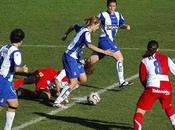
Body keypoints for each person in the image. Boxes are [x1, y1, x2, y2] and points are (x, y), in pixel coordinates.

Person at [53, 16, 113, 108]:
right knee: (73, 82)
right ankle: (58, 101)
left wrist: (66, 34)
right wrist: (104, 51)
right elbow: (89, 45)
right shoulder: (86, 33)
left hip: (75, 59)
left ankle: (64, 90)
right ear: (94, 24)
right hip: (70, 57)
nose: (98, 28)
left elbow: (73, 25)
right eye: (98, 26)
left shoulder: (82, 28)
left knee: (83, 79)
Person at [85, 0, 133, 88]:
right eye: (110, 6)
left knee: (91, 61)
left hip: (110, 42)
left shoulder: (118, 15)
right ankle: (121, 81)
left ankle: (78, 68)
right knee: (120, 58)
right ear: (107, 6)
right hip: (105, 40)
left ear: (116, 6)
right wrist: (86, 29)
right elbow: (94, 21)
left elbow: (121, 25)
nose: (112, 8)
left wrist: (125, 26)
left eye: (114, 6)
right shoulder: (103, 14)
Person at [133, 40, 175, 130]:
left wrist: (149, 89)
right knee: (168, 106)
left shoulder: (144, 61)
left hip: (152, 88)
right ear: (158, 49)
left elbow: (142, 78)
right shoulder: (166, 58)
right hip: (167, 88)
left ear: (147, 49)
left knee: (139, 111)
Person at [0, 28, 28, 130]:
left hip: (4, 79)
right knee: (1, 105)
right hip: (4, 80)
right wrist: (23, 69)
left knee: (13, 104)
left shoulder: (4, 47)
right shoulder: (16, 52)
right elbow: (17, 68)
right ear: (21, 40)